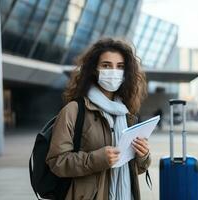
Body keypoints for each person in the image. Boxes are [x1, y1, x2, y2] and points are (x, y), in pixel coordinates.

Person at [46, 38, 151, 200]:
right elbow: (56, 162)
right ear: (94, 69)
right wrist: (96, 159)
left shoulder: (127, 114)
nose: (113, 71)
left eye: (120, 66)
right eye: (106, 65)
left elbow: (133, 169)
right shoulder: (74, 110)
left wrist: (143, 156)